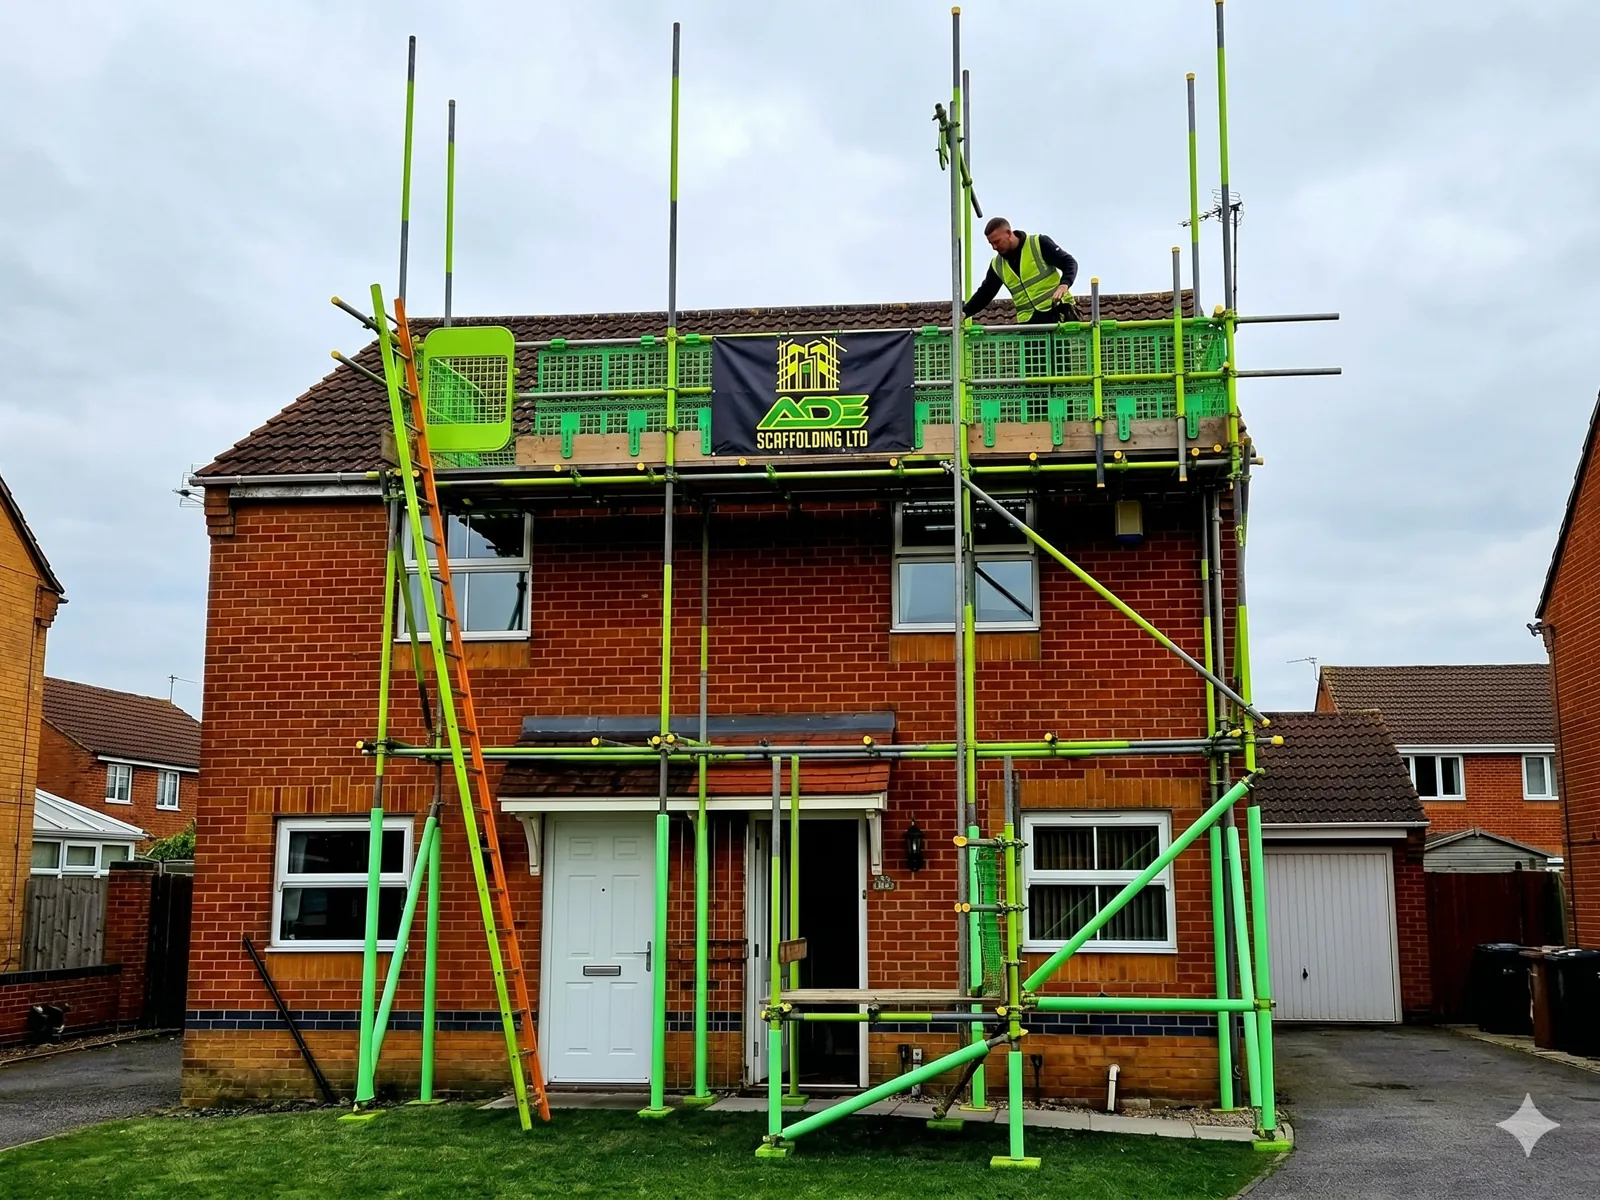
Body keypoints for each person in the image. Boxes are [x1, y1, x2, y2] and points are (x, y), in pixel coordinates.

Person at [962, 217, 1079, 324]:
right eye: (991, 243)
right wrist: (964, 312)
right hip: (1029, 323)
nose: (994, 247)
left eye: (997, 242)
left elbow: (1069, 262)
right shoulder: (997, 265)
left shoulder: (1037, 243)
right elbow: (985, 293)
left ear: (1009, 233)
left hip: (1059, 312)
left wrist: (1064, 285)